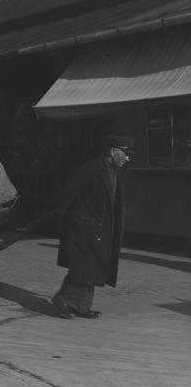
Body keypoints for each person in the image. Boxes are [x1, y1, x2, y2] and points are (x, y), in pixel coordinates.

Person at [51, 134, 134, 319]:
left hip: (101, 227)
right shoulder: (91, 169)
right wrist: (63, 219)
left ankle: (81, 305)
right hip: (84, 226)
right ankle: (63, 298)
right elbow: (69, 193)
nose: (127, 158)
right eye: (125, 154)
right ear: (113, 152)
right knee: (84, 266)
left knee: (95, 266)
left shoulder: (113, 170)